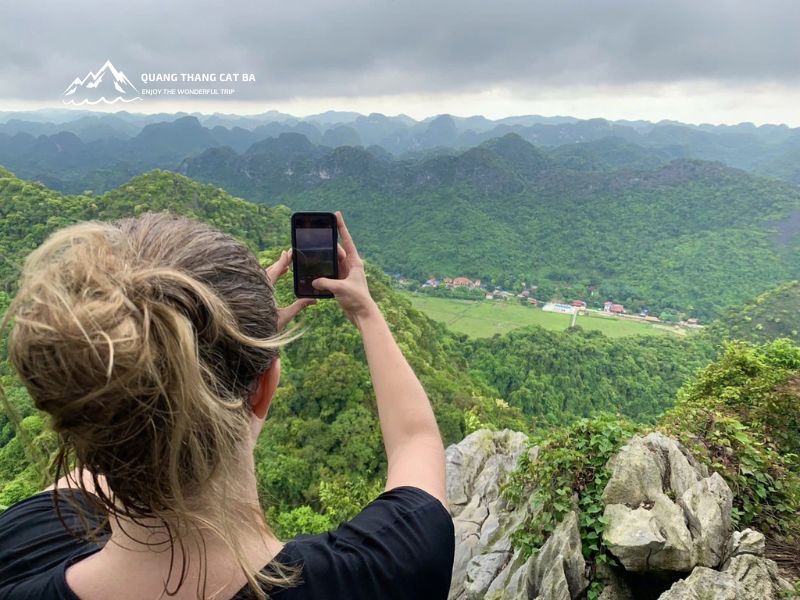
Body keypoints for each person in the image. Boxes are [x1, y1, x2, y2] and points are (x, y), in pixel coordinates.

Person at [0, 211, 454, 599]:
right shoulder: (384, 572)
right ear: (265, 387)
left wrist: (220, 358)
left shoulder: (19, 545)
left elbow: (115, 425)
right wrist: (365, 312)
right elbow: (416, 441)